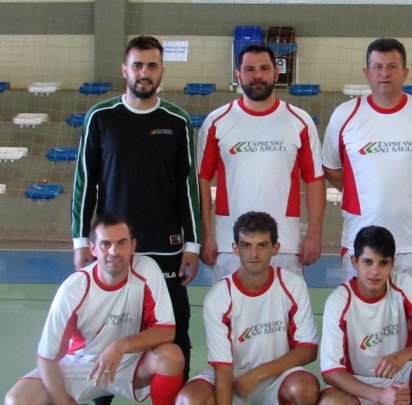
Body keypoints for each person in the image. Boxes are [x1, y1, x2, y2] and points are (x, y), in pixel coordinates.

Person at [71, 35, 200, 386]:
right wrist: (82, 240)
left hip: (166, 245)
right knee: (104, 330)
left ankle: (175, 396)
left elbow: (186, 187)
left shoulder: (177, 120)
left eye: (152, 66)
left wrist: (192, 245)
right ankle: (101, 394)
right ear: (124, 69)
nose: (145, 72)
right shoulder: (101, 117)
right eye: (138, 65)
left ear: (162, 71)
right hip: (113, 248)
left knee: (175, 331)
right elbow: (85, 183)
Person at [322, 38, 412, 306]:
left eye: (392, 66)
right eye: (377, 66)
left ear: (406, 72)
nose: (385, 73)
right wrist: (359, 194)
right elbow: (330, 167)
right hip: (361, 244)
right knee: (362, 322)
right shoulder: (344, 115)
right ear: (366, 73)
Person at [5, 215, 184, 405]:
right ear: (93, 249)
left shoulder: (147, 270)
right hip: (80, 366)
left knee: (171, 357)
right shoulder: (73, 290)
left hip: (129, 362)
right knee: (17, 400)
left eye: (121, 243)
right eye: (105, 244)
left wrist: (120, 346)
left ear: (133, 245)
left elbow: (166, 330)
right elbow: (47, 358)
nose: (114, 251)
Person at [197, 44, 325, 284]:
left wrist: (314, 234)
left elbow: (314, 179)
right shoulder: (217, 122)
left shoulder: (300, 121)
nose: (257, 75)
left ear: (276, 73)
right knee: (231, 318)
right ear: (238, 75)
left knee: (283, 319)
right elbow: (202, 180)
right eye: (249, 69)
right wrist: (207, 235)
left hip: (284, 246)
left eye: (264, 68)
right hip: (230, 246)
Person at [175, 211, 320, 405]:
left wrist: (258, 374)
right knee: (188, 400)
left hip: (278, 376)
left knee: (305, 388)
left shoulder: (293, 285)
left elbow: (308, 349)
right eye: (246, 245)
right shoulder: (219, 296)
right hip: (230, 377)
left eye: (262, 245)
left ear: (275, 248)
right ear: (235, 248)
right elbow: (223, 367)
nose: (254, 254)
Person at [319, 225, 412, 405]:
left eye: (383, 263)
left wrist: (404, 355)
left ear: (392, 263)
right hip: (359, 385)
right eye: (368, 262)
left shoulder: (403, 285)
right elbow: (330, 371)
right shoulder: (338, 301)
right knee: (329, 402)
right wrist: (379, 395)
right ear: (354, 262)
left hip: (400, 382)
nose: (375, 271)